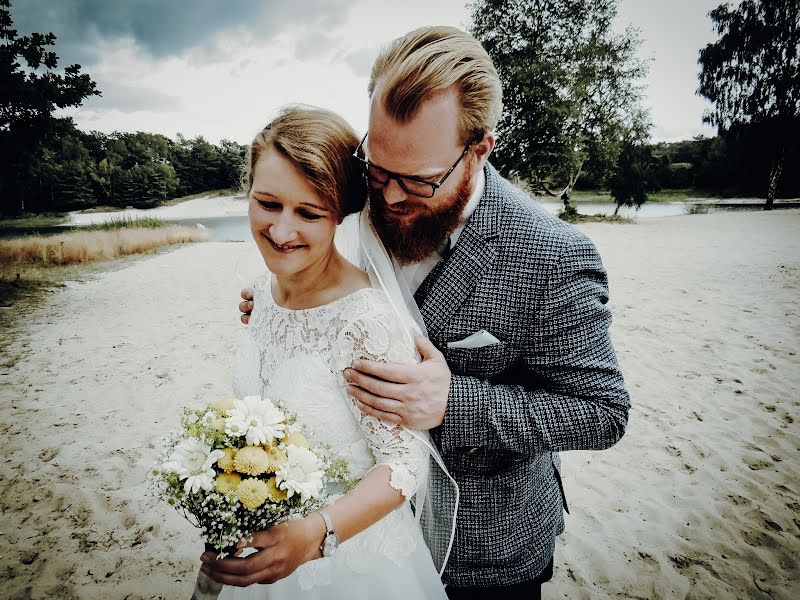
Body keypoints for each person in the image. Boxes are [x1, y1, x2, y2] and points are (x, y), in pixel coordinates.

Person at [235, 26, 630, 599]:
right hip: (351, 547)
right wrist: (274, 301)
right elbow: (307, 255)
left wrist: (452, 403)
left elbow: (601, 411)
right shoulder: (357, 193)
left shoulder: (553, 255)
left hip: (486, 552)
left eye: (419, 181)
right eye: (377, 168)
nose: (389, 197)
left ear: (479, 150)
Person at [206, 105, 449, 599]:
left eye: (309, 213)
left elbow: (404, 465)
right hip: (261, 538)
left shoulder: (365, 320)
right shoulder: (259, 292)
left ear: (339, 214)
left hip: (349, 563)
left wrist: (319, 533)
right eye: (267, 203)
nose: (281, 231)